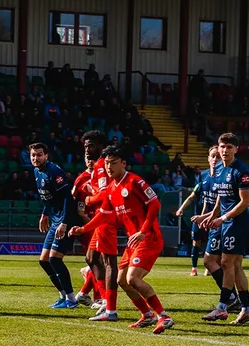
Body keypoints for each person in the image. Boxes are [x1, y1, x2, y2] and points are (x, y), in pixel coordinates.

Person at [71, 146, 173, 333]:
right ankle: (147, 315)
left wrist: (143, 231)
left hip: (148, 238)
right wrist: (83, 229)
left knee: (133, 278)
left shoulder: (135, 182)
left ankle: (163, 316)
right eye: (107, 163)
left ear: (123, 164)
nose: (109, 167)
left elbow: (155, 204)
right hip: (133, 241)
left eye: (114, 163)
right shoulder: (111, 189)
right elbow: (103, 214)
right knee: (122, 280)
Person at [193, 133, 249, 325]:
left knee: (228, 263)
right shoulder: (219, 169)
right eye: (222, 147)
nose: (225, 150)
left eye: (229, 147)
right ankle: (247, 309)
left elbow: (244, 203)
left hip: (237, 222)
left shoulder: (241, 171)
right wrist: (211, 216)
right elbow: (222, 196)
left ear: (236, 149)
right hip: (223, 221)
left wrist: (223, 217)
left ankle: (222, 307)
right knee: (233, 266)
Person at [30, 142, 81, 309]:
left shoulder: (55, 172)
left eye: (39, 154)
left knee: (55, 259)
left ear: (46, 155)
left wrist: (65, 223)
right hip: (55, 219)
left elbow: (68, 198)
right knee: (44, 261)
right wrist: (45, 214)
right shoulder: (37, 171)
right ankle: (63, 295)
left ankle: (72, 300)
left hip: (66, 220)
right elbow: (49, 197)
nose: (35, 158)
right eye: (33, 155)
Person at [80, 130, 116, 316]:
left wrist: (90, 198)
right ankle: (103, 300)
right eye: (85, 146)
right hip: (102, 217)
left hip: (106, 217)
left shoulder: (102, 166)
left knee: (108, 262)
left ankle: (110, 307)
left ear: (101, 146)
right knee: (91, 258)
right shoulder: (99, 166)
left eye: (91, 146)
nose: (87, 150)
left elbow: (104, 194)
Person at [175, 146, 218, 277]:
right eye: (213, 156)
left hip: (216, 216)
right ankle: (194, 268)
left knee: (212, 242)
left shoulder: (224, 177)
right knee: (196, 241)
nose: (215, 159)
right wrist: (182, 208)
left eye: (218, 156)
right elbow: (196, 196)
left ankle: (210, 266)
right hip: (201, 215)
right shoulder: (203, 177)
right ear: (208, 158)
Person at [71, 155, 99, 307]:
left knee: (98, 262)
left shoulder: (105, 176)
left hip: (102, 223)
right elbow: (78, 206)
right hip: (88, 225)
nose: (90, 160)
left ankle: (85, 292)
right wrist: (89, 224)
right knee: (98, 261)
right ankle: (97, 298)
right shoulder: (81, 179)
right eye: (87, 157)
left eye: (93, 158)